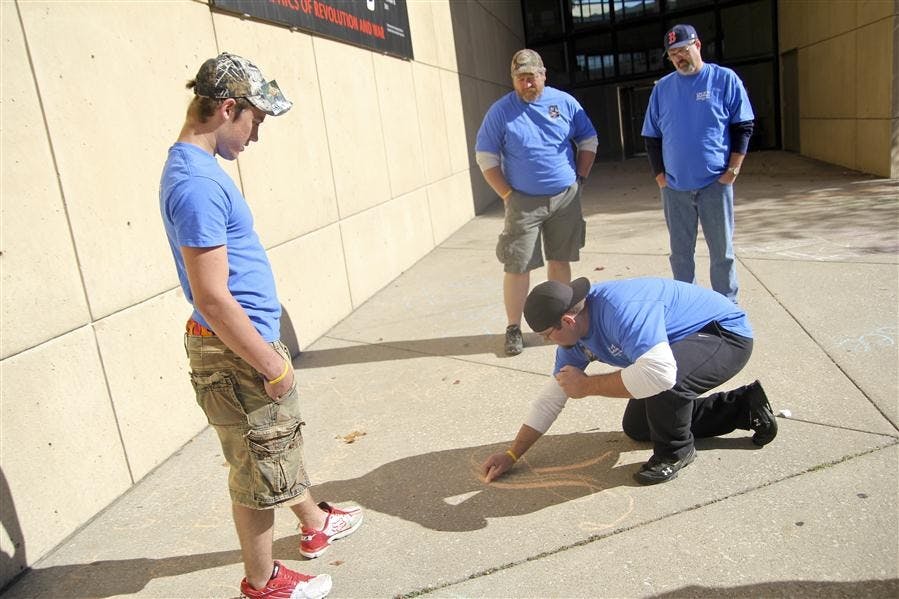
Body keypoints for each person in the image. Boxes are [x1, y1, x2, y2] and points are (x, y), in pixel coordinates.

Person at [159, 52, 363, 599]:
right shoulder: (197, 184)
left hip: (239, 345)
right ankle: (263, 582)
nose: (256, 135)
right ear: (229, 108)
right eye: (257, 120)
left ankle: (314, 523)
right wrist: (271, 363)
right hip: (238, 351)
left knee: (271, 448)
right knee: (255, 470)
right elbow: (211, 296)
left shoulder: (198, 170)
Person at [480, 276, 777, 486]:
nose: (548, 342)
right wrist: (512, 454)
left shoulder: (620, 311)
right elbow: (551, 399)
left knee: (662, 380)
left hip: (724, 334)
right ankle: (743, 407)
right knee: (638, 426)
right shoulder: (573, 338)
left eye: (547, 335)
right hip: (678, 345)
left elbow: (660, 373)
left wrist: (588, 386)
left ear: (567, 321)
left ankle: (676, 452)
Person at [475, 49, 598, 356]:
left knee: (560, 260)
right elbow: (485, 156)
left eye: (531, 77)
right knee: (518, 266)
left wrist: (580, 178)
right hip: (522, 203)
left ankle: (560, 319)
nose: (526, 84)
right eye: (520, 78)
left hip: (565, 198)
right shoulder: (501, 111)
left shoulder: (565, 103)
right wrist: (507, 194)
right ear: (513, 80)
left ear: (544, 75)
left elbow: (588, 139)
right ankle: (513, 328)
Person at [642, 24, 755, 302]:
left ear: (698, 45)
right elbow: (651, 137)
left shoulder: (724, 79)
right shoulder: (662, 89)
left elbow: (743, 126)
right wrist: (661, 178)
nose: (679, 58)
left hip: (715, 184)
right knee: (680, 256)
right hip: (675, 189)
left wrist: (732, 171)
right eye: (673, 54)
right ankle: (688, 307)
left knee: (722, 254)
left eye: (683, 50)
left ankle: (727, 309)